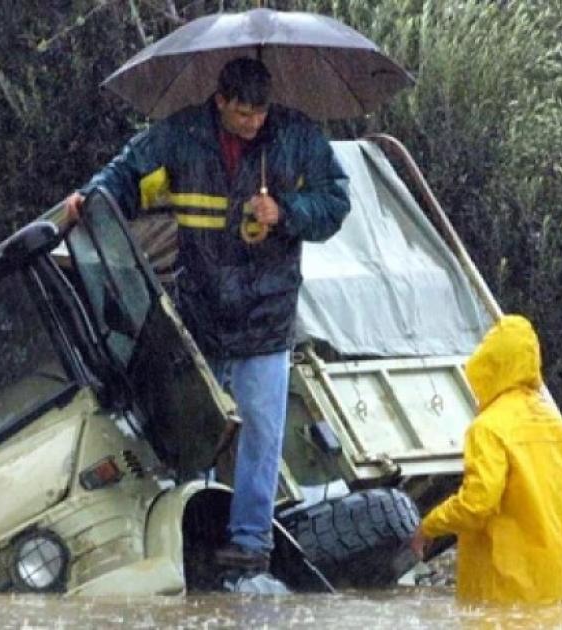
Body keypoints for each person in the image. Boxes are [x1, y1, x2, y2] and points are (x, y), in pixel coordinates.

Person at [63, 58, 350, 572]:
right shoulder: (179, 136)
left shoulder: (298, 136)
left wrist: (285, 213)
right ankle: (182, 534)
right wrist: (90, 198)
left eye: (260, 115)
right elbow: (126, 174)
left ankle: (250, 543)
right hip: (200, 312)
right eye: (242, 114)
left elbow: (336, 201)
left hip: (268, 315)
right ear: (220, 101)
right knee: (190, 428)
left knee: (262, 432)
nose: (253, 124)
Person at [410, 315, 562, 604]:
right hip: (557, 593)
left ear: (489, 366)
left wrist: (428, 526)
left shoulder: (489, 428)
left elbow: (477, 503)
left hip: (501, 593)